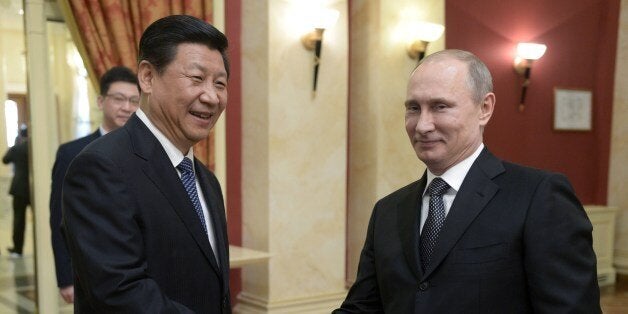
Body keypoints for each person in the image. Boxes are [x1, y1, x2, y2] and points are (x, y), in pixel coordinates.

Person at [334, 49, 601, 313]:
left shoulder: (538, 197)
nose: (423, 125)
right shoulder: (387, 210)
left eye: (440, 107)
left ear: (484, 108)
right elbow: (363, 307)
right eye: (414, 108)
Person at [62, 15, 231, 313]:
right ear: (148, 77)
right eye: (196, 78)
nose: (211, 96)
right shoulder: (100, 168)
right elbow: (120, 293)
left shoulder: (206, 180)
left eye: (220, 83)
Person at [49, 66, 140, 304]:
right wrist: (66, 277)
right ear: (101, 101)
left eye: (134, 100)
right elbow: (59, 217)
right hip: (90, 274)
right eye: (119, 99)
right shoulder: (72, 153)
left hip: (139, 275)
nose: (127, 107)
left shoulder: (145, 153)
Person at [2, 126, 30, 258]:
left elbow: (5, 159)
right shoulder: (32, 147)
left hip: (19, 188)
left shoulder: (17, 148)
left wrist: (14, 145)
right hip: (33, 188)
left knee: (19, 220)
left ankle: (18, 249)